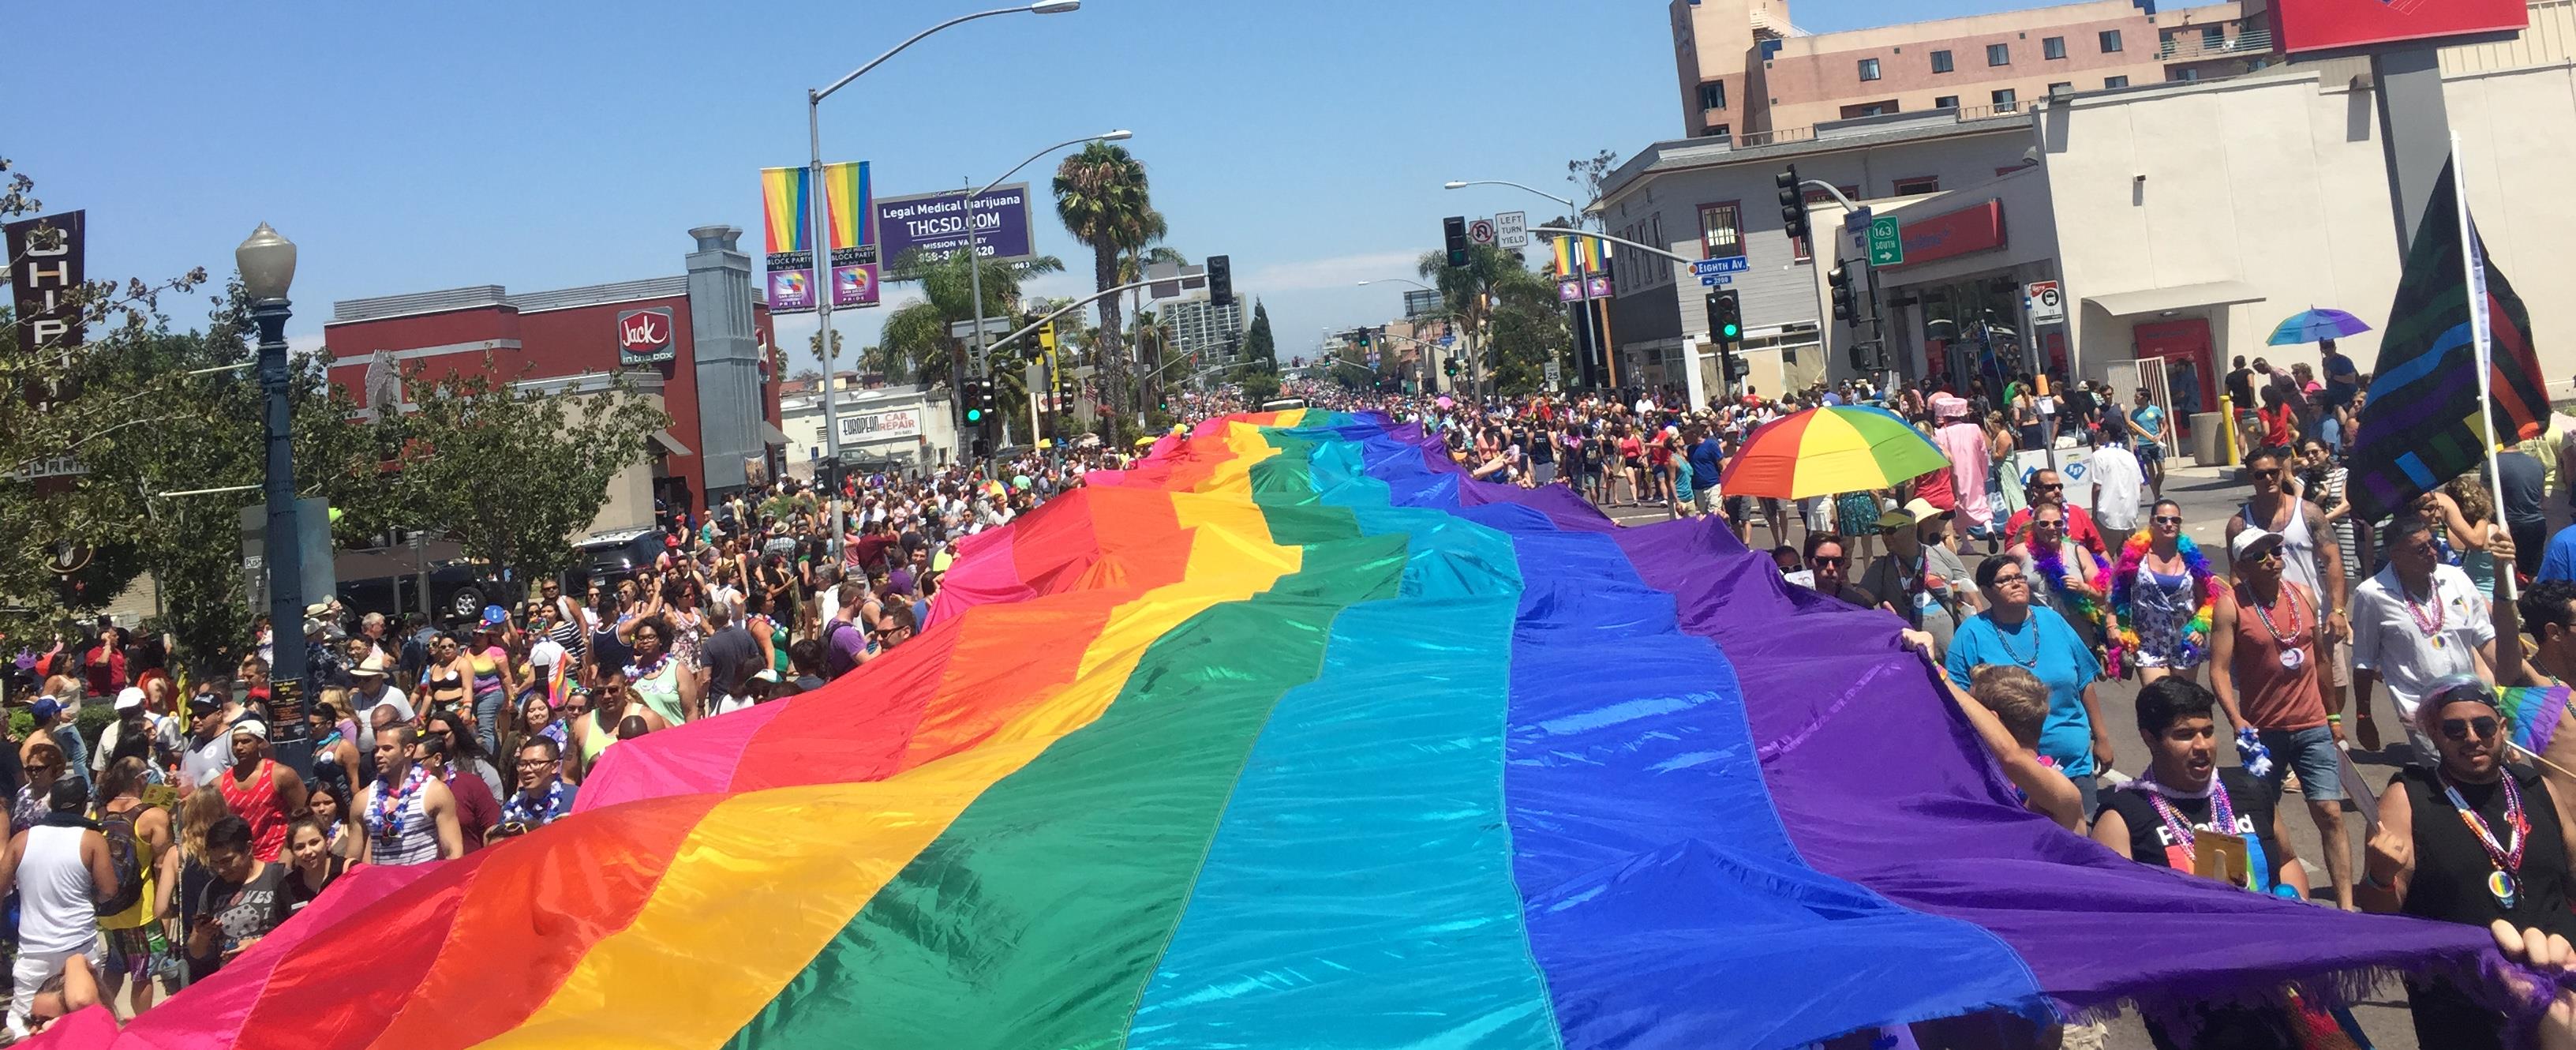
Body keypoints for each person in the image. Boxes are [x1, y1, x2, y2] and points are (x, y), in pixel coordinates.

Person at [2091, 678, 2309, 1049]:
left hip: (2274, 980)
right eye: (2184, 735)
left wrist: (2296, 919)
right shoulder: (2124, 816)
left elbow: (2286, 863)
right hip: (2193, 1004)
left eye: (2208, 732)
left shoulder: (2249, 790)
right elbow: (2115, 924)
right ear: (2149, 737)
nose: (2202, 746)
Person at [2361, 677, 2576, 1050]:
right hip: (2462, 1005)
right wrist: (2381, 875)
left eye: (2484, 726)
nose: (2472, 738)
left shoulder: (2537, 788)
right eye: (2454, 729)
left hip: (2561, 987)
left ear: (2502, 729)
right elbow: (2379, 914)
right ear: (2434, 734)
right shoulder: (2409, 796)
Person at [2209, 528, 2353, 910]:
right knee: (2262, 818)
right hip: (2263, 731)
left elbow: (2320, 660)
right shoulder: (2231, 606)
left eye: (2275, 550)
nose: (2272, 558)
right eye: (2260, 555)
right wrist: (2237, 719)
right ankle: (2269, 897)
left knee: (2330, 812)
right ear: (2241, 565)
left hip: (2312, 725)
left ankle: (2346, 905)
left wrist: (2334, 715)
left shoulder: (2303, 595)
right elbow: (2219, 671)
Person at [1946, 554, 2114, 814]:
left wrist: (2102, 738)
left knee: (2085, 840)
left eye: (2019, 577)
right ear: (1988, 591)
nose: (2016, 583)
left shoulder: (2052, 620)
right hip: (2014, 773)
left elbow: (2084, 683)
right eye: (2005, 580)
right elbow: (1959, 702)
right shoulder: (1971, 634)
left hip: (2073, 763)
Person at [2352, 514, 2498, 756]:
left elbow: (2485, 639)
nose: (2432, 552)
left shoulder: (2456, 579)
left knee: (2480, 769)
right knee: (2443, 778)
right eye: (2421, 550)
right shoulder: (2372, 594)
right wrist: (2364, 716)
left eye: (2433, 544)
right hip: (2420, 712)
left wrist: (2513, 685)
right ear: (2396, 556)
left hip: (2469, 702)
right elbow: (2364, 661)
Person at [0, 779, 120, 1040]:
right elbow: (109, 890)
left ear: (50, 804)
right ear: (84, 805)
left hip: (34, 948)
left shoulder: (22, 840)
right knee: (82, 1020)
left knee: (26, 1022)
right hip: (79, 945)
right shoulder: (91, 839)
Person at [2225, 445, 2350, 680]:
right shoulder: (2239, 524)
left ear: (2282, 472)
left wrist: (2338, 610)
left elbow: (2333, 561)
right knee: (2279, 690)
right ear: (2251, 478)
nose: (2269, 478)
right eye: (2260, 475)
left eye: (2273, 472)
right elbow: (2237, 576)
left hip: (2317, 618)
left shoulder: (2310, 513)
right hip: (2267, 622)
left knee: (2331, 687)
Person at [2106, 501, 2218, 685]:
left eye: (2175, 520)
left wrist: (2200, 627)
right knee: (2159, 700)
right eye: (2162, 519)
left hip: (2185, 643)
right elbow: (2114, 591)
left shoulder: (2191, 558)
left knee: (2184, 704)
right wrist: (2113, 625)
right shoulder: (2135, 556)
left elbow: (2209, 598)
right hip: (2149, 643)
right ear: (2152, 522)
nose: (2169, 524)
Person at [94, 758, 170, 1017]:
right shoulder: (154, 816)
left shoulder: (98, 813)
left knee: (115, 967)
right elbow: (162, 864)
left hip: (109, 907)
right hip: (141, 910)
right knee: (142, 972)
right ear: (140, 779)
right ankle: (142, 1025)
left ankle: (98, 1018)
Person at [179, 815, 289, 983]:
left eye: (227, 861)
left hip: (276, 979)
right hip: (233, 986)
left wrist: (259, 944)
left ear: (248, 849)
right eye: (215, 863)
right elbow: (196, 952)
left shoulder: (279, 878)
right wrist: (202, 935)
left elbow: (301, 933)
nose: (221, 870)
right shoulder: (212, 890)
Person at [1862, 500, 1973, 659]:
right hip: (1912, 658)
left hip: (1956, 656)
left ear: (1911, 529)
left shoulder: (1942, 556)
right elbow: (1859, 602)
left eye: (1891, 530)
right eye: (1882, 531)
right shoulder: (1881, 567)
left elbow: (1972, 600)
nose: (1885, 537)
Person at [356, 726, 464, 866]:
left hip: (422, 883)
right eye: (376, 749)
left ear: (408, 750)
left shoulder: (435, 791)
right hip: (382, 885)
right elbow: (353, 860)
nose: (378, 755)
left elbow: (454, 853)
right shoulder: (363, 798)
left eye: (387, 748)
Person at [2011, 504, 2109, 646]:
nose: (2052, 528)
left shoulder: (2079, 552)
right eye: (2044, 524)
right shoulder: (2020, 553)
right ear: (2035, 526)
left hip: (2078, 638)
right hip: (2036, 638)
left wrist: (2083, 588)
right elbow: (1996, 582)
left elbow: (2102, 597)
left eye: (2057, 523)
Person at [214, 719, 305, 865]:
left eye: (245, 742)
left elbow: (302, 815)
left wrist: (288, 853)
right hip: (241, 862)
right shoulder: (220, 783)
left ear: (259, 743)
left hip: (276, 856)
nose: (239, 747)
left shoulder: (280, 775)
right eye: (235, 743)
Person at [413, 732, 497, 853]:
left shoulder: (470, 784)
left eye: (416, 762)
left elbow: (492, 829)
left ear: (437, 759)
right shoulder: (408, 794)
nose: (411, 768)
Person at [1931, 396, 1994, 548]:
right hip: (1973, 471)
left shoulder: (1939, 433)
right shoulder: (1973, 428)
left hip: (1952, 474)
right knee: (1979, 502)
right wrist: (1984, 472)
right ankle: (1989, 528)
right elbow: (1983, 452)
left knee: (1957, 507)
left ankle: (1966, 544)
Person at [2003, 469, 2106, 559]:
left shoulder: (2078, 513)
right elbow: (2011, 559)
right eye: (2051, 488)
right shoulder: (2018, 520)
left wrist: (2111, 578)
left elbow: (2100, 551)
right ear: (2036, 492)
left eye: (2060, 486)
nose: (2057, 491)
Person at [495, 737, 578, 840]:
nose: (527, 770)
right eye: (522, 764)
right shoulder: (511, 808)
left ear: (554, 766)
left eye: (535, 763)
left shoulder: (575, 798)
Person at [2085, 416, 2144, 535]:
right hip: (2130, 517)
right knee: (2128, 553)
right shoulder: (2129, 456)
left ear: (2106, 434)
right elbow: (2140, 486)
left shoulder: (2099, 455)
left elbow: (2097, 488)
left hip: (2108, 518)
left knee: (2105, 553)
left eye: (2098, 431)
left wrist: (2095, 515)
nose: (2096, 434)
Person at [281, 817, 346, 917]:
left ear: (327, 841)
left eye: (314, 843)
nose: (308, 852)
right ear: (292, 852)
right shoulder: (287, 886)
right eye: (300, 847)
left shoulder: (348, 870)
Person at [1800, 534, 1877, 609]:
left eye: (1837, 561)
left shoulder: (1859, 606)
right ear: (1808, 562)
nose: (1830, 568)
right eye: (1822, 561)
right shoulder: (1793, 602)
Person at [2129, 388, 2169, 500]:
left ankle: (2157, 488)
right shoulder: (2135, 413)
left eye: (2137, 397)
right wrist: (2133, 435)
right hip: (2143, 444)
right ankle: (2156, 496)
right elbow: (2134, 431)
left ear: (2145, 398)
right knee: (2151, 471)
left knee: (2161, 471)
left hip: (2156, 443)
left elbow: (2165, 425)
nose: (2135, 399)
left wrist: (2160, 436)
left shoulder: (2155, 410)